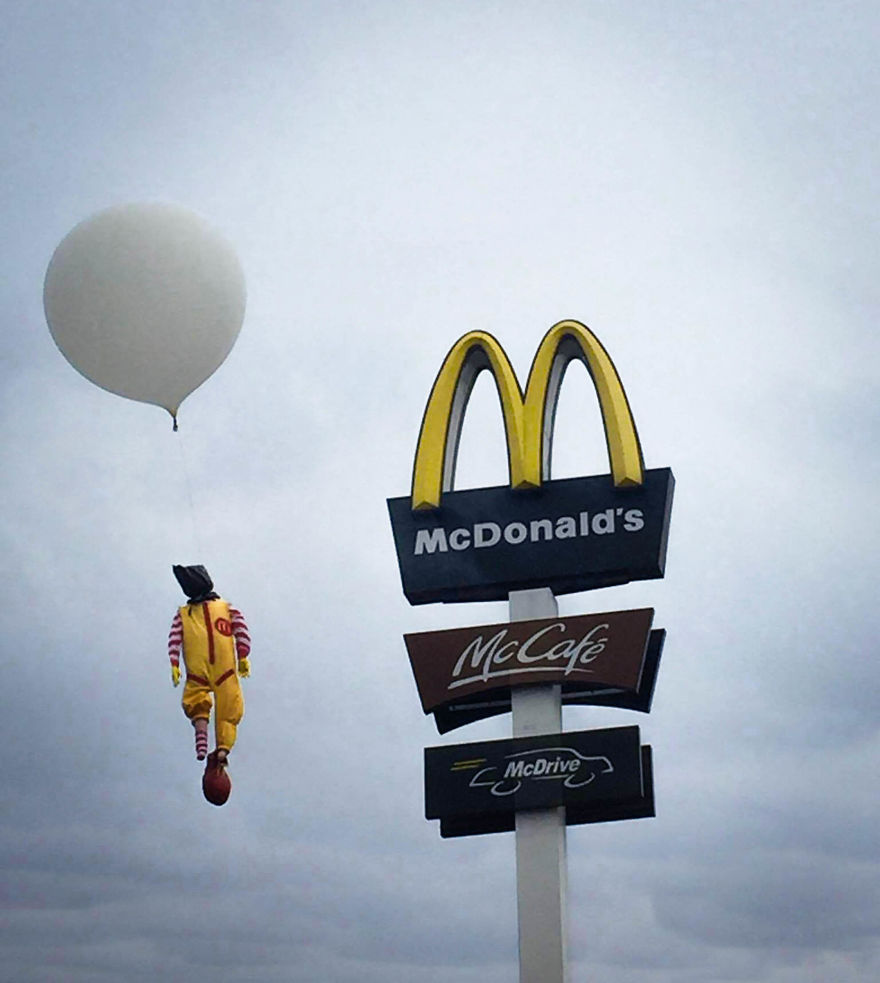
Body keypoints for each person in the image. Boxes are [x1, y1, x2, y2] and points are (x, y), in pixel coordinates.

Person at [167, 565, 251, 768]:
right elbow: (175, 638)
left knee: (229, 706)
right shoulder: (185, 614)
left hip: (224, 670)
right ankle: (203, 742)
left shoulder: (225, 608)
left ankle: (223, 748)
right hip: (200, 672)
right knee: (198, 701)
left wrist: (243, 655)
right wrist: (174, 662)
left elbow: (241, 629)